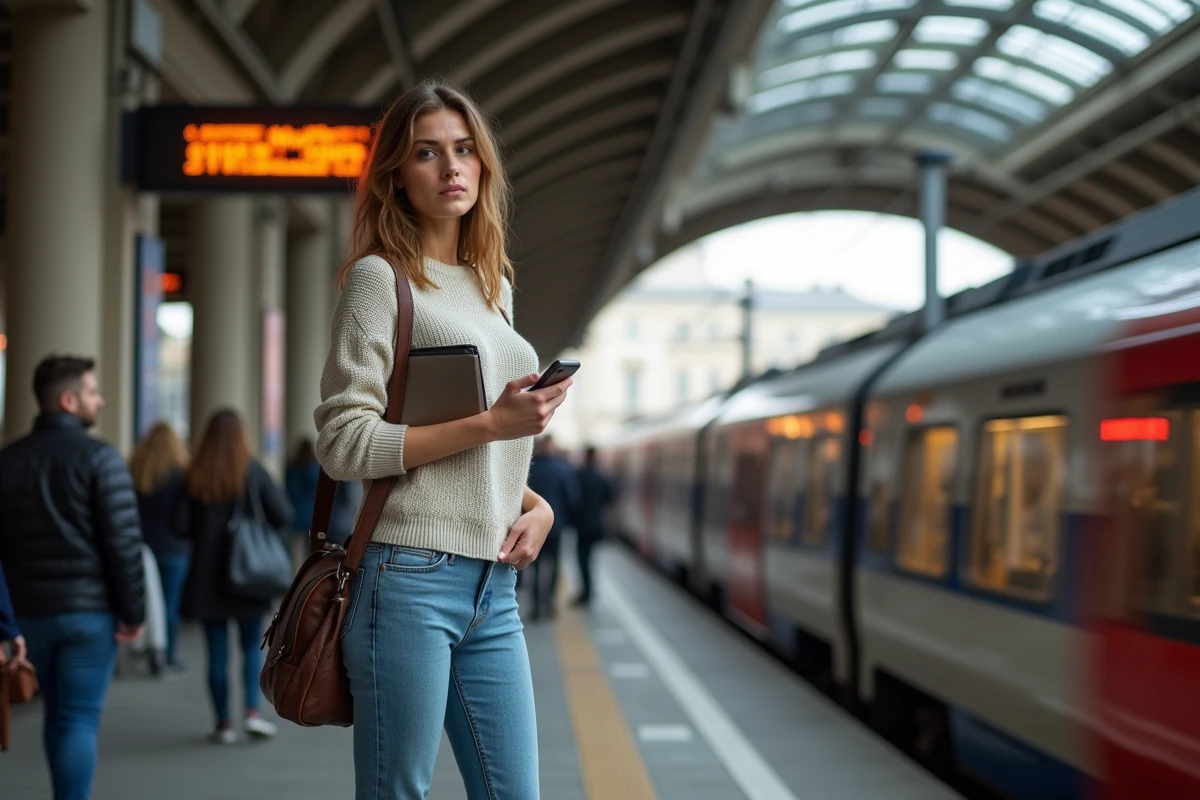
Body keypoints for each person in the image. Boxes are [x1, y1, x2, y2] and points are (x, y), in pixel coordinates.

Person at [315, 79, 571, 799]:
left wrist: (534, 503)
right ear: (396, 173)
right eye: (427, 153)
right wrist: (494, 422)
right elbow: (343, 442)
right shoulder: (379, 280)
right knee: (397, 791)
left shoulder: (494, 287)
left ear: (484, 167)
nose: (451, 167)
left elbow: (473, 452)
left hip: (494, 581)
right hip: (407, 578)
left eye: (465, 150)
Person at [0, 355, 145, 800]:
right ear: (67, 400)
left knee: (54, 715)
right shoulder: (101, 459)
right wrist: (133, 612)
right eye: (92, 392)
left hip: (26, 617)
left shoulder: (7, 461)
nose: (100, 401)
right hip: (89, 616)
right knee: (78, 717)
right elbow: (123, 544)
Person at [172, 409, 292, 745]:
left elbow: (179, 526)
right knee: (251, 647)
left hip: (207, 579)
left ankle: (223, 722)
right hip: (249, 576)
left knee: (217, 654)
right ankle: (252, 713)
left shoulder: (195, 475)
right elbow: (283, 514)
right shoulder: (253, 471)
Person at [129, 422, 189, 673]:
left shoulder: (136, 470)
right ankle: (166, 654)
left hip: (141, 546)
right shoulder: (181, 474)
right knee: (169, 606)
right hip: (175, 548)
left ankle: (142, 646)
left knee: (145, 601)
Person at [526, 436, 580, 620]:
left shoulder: (530, 467)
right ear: (553, 447)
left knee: (534, 567)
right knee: (555, 565)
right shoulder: (563, 469)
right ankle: (549, 604)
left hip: (531, 525)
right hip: (556, 526)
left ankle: (535, 607)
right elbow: (573, 499)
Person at [573, 446, 614, 606]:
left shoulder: (579, 476)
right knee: (590, 559)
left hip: (581, 525)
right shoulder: (602, 477)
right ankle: (589, 591)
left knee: (582, 559)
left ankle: (586, 592)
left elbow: (573, 499)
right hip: (597, 524)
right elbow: (609, 500)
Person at [284, 438, 320, 557]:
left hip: (294, 511)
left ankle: (293, 570)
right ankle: (306, 571)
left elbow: (288, 488)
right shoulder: (314, 467)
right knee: (308, 548)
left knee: (292, 547)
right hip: (310, 513)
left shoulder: (292, 467)